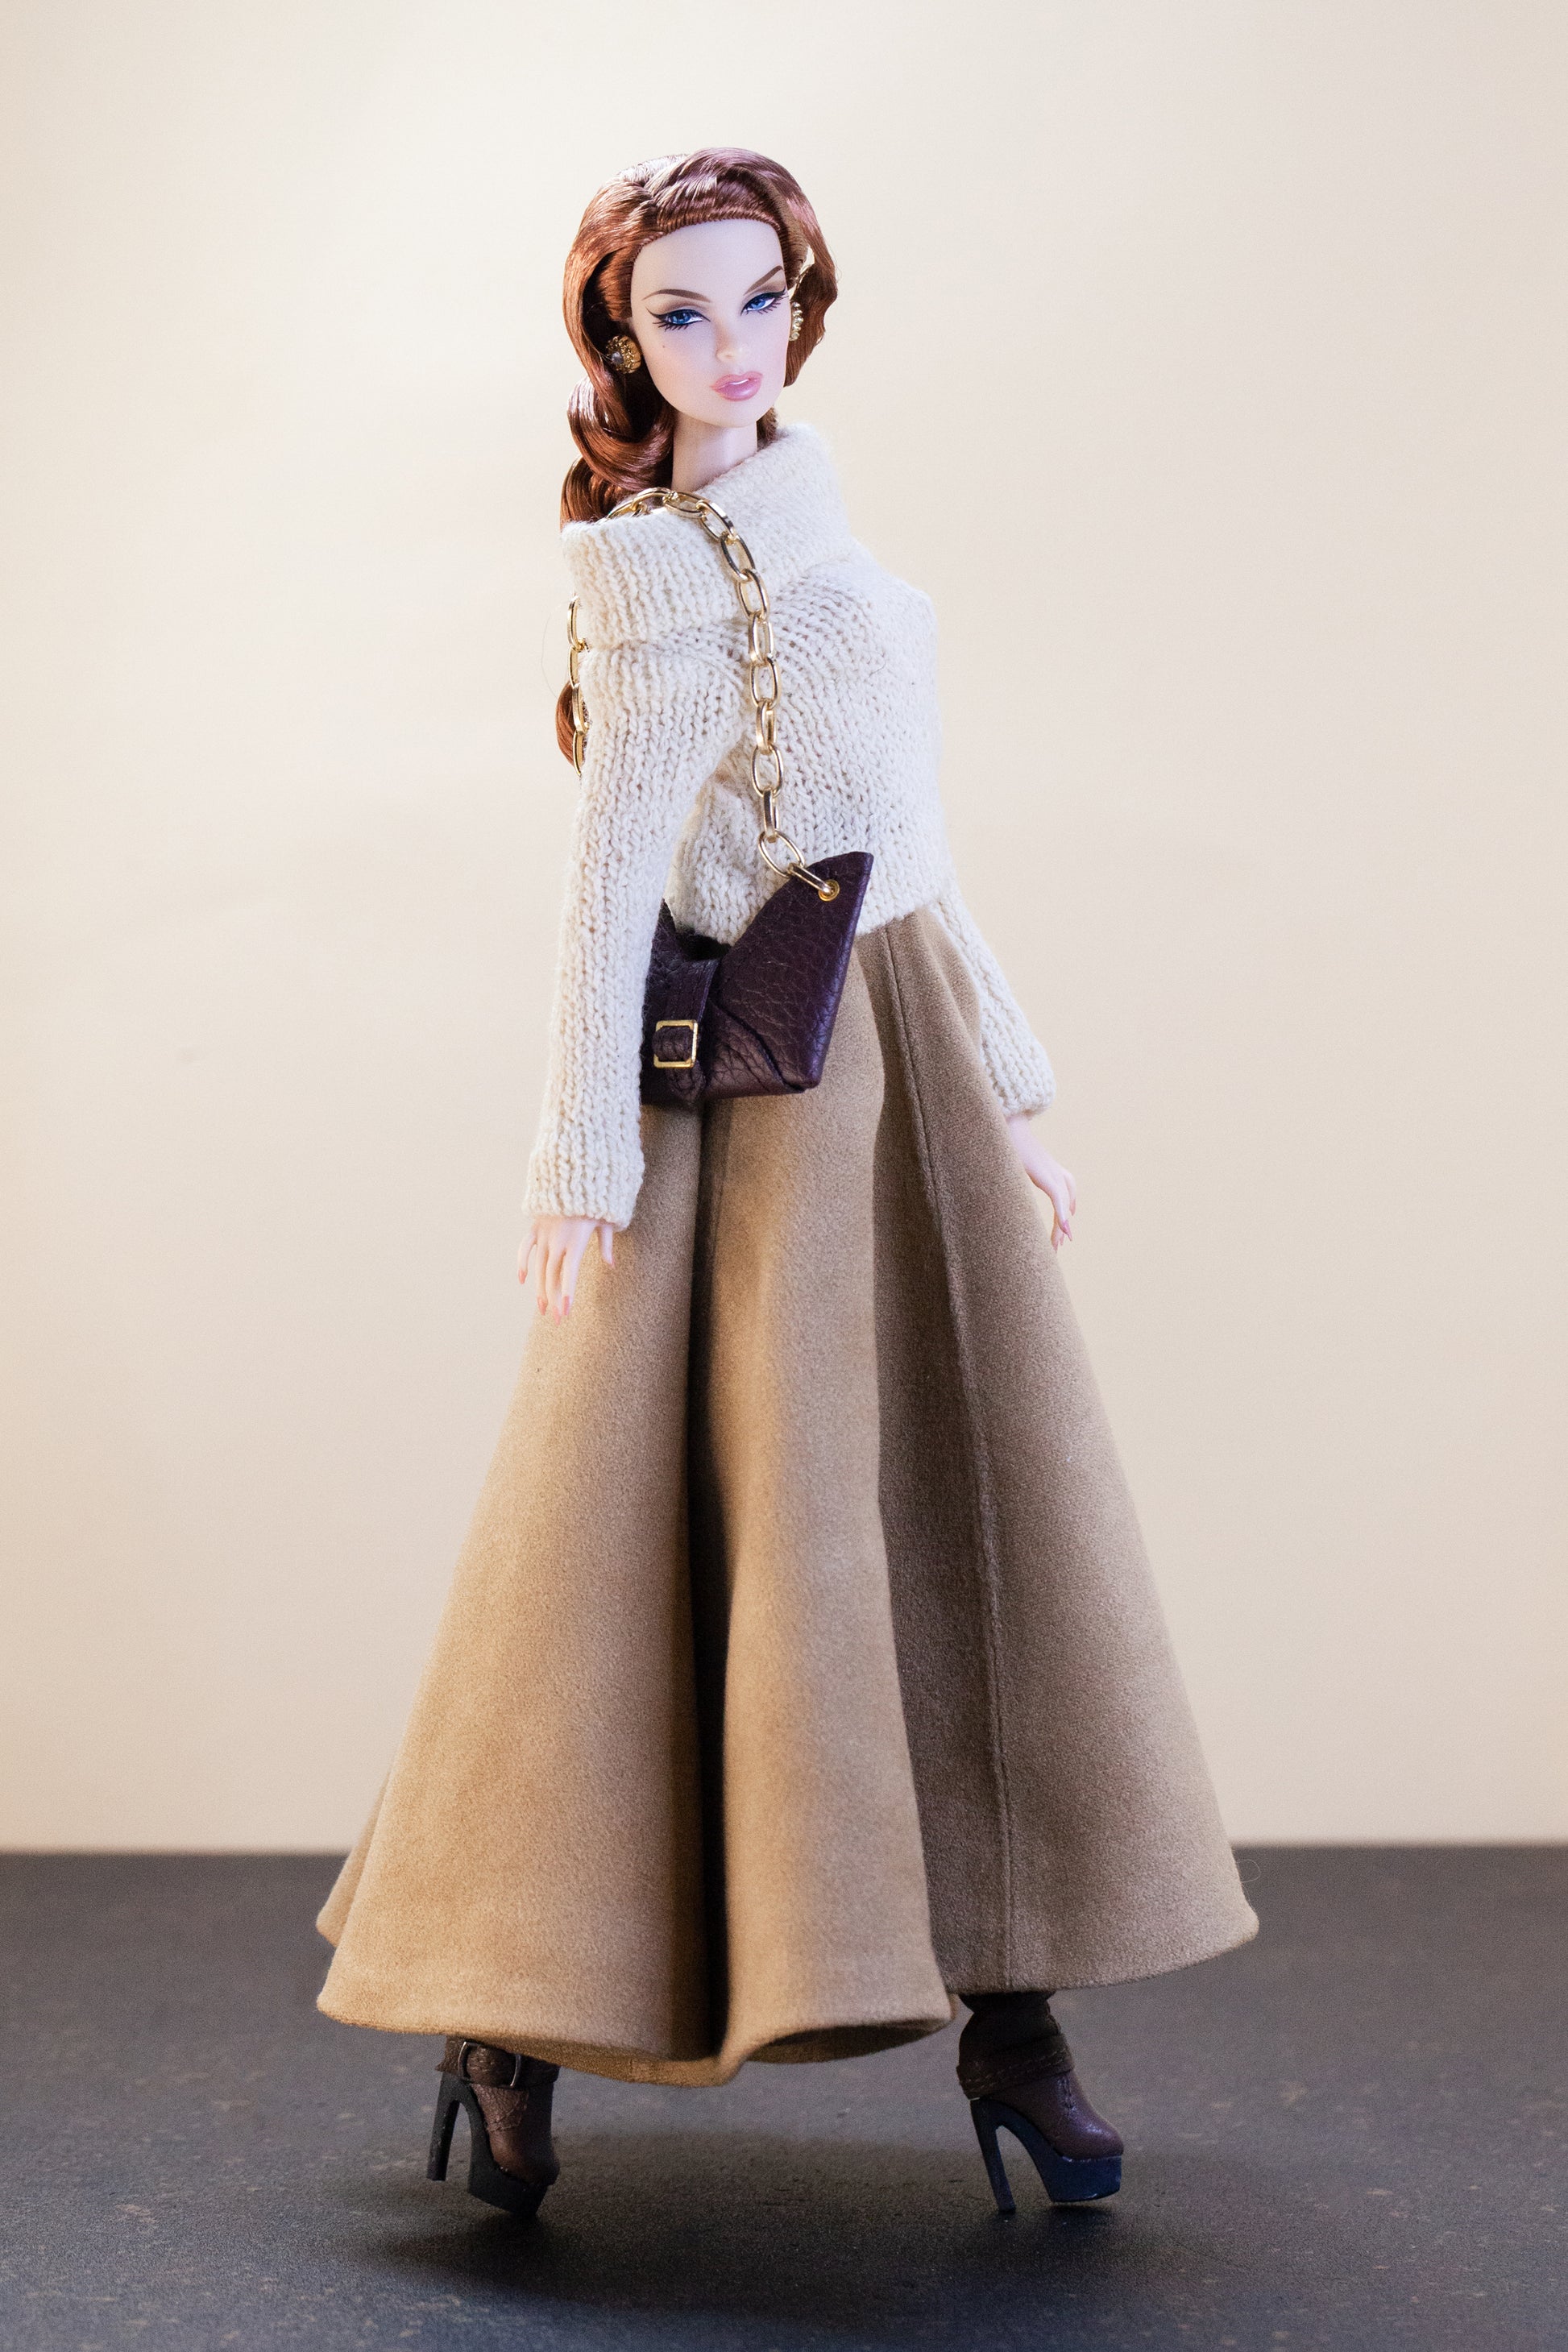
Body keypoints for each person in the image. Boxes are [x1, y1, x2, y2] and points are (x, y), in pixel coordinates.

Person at [316, 147, 1257, 2223]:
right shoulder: (649, 579)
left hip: (899, 1067)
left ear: (805, 308)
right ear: (623, 338)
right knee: (634, 1547)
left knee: (969, 1521)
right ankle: (508, 2016)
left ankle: (1015, 2021)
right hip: (751, 1106)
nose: (729, 345)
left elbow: (916, 852)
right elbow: (610, 889)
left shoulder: (851, 560)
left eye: (760, 301)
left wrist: (1012, 1087)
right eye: (681, 312)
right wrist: (580, 1157)